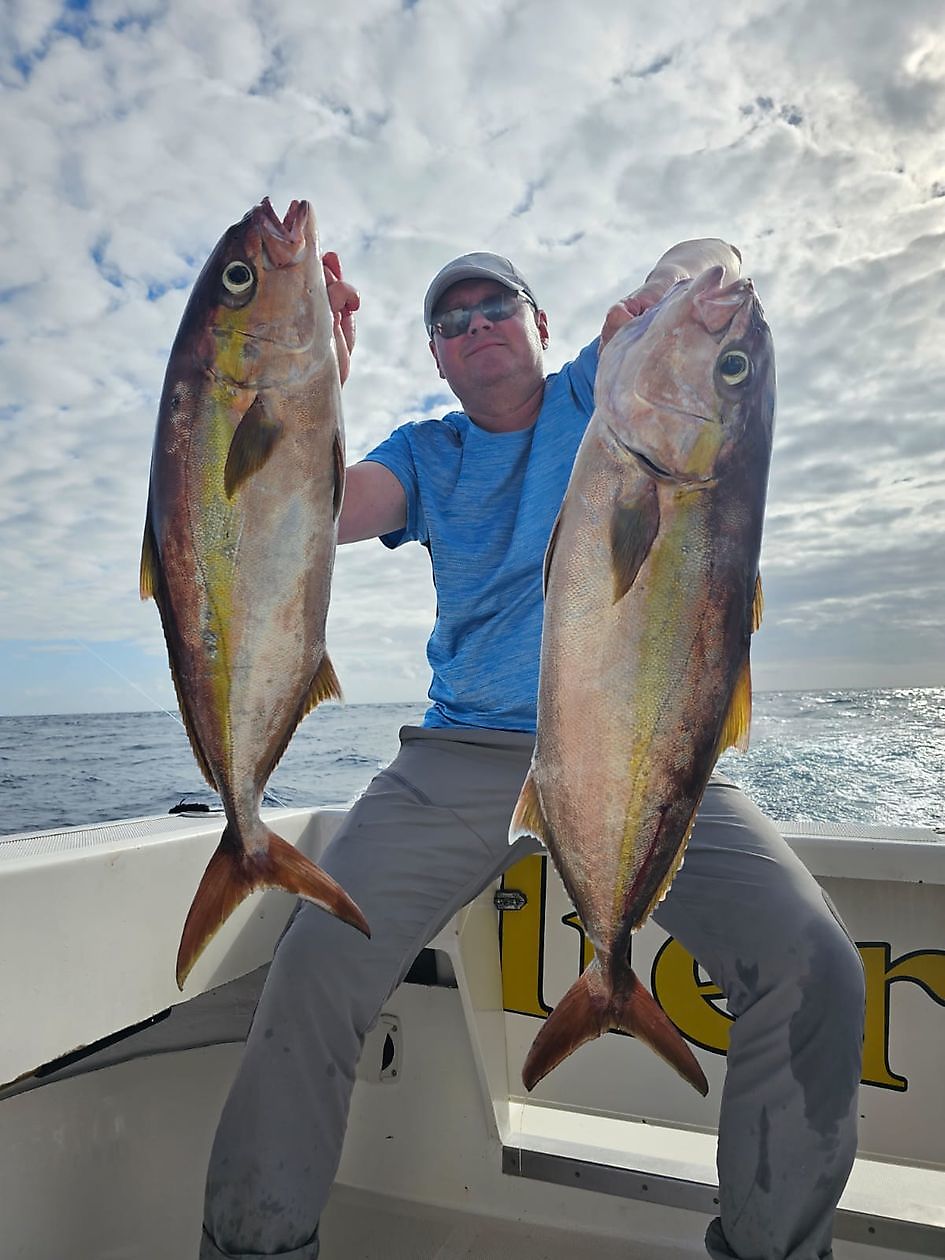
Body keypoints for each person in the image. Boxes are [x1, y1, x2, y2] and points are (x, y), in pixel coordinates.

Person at [199, 242, 866, 1260]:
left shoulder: (607, 392)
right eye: (451, 322)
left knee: (814, 963)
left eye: (496, 308)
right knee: (317, 963)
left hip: (642, 755)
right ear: (436, 358)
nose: (476, 328)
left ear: (545, 325)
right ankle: (253, 1248)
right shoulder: (425, 454)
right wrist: (310, 370)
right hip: (461, 754)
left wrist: (687, 290)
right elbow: (307, 509)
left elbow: (705, 263)